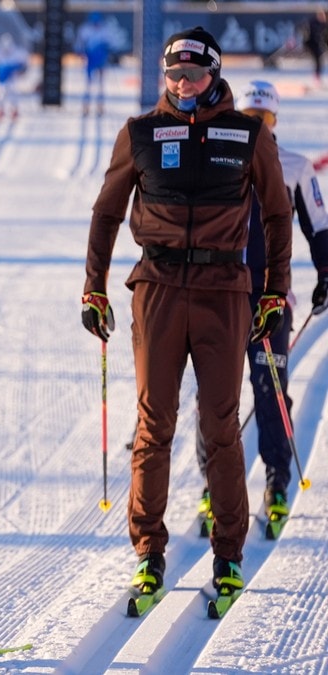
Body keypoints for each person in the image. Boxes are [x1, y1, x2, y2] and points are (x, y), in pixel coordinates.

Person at [80, 27, 291, 611]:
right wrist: (92, 288)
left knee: (221, 423)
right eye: (173, 74)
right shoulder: (141, 132)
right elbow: (105, 213)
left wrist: (276, 291)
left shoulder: (248, 135)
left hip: (225, 289)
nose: (182, 84)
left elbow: (277, 217)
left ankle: (229, 555)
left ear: (214, 75)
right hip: (159, 287)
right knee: (154, 423)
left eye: (193, 75)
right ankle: (148, 553)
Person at [192, 80, 328, 534]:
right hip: (221, 298)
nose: (256, 127)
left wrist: (325, 273)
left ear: (274, 122)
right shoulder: (217, 162)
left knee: (271, 392)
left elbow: (319, 226)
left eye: (263, 119)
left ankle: (276, 483)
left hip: (271, 298)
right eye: (249, 118)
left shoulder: (293, 167)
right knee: (214, 398)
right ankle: (212, 487)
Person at [74, 12, 115, 116]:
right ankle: (86, 107)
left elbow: (109, 45)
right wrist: (81, 54)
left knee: (100, 85)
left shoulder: (104, 31)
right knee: (88, 85)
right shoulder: (85, 30)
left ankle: (100, 107)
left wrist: (107, 53)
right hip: (90, 61)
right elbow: (79, 45)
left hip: (101, 61)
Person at [0, 33, 29, 119]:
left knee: (13, 91)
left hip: (13, 77)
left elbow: (25, 62)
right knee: (0, 92)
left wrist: (20, 71)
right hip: (1, 77)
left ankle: (14, 109)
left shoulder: (18, 52)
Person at [304, 8, 327, 87]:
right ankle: (316, 78)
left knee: (319, 61)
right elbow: (306, 34)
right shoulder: (312, 22)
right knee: (317, 60)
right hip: (311, 44)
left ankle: (317, 78)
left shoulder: (325, 24)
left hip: (320, 44)